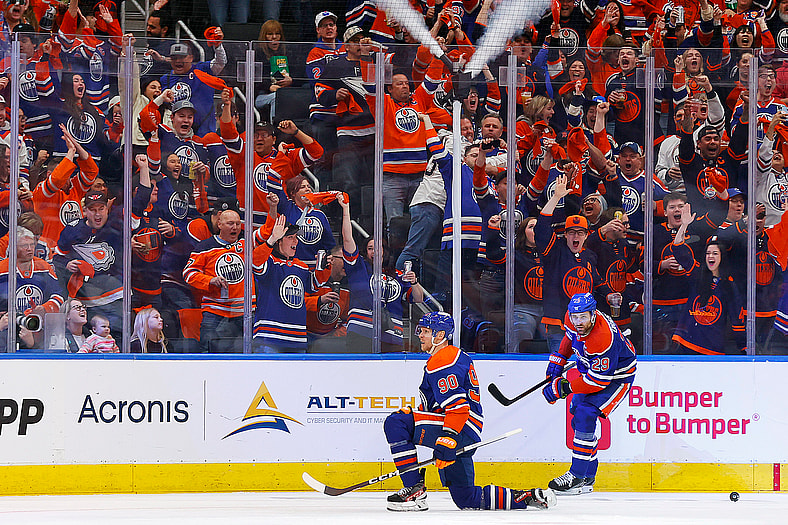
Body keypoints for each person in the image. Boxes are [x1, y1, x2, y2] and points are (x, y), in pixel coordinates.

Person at [383, 311, 556, 511]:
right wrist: (423, 415)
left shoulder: (444, 359)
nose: (420, 335)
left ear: (439, 336)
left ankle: (414, 490)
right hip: (463, 430)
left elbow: (458, 408)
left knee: (397, 422)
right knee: (467, 498)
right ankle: (527, 497)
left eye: (426, 331)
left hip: (458, 428)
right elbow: (441, 404)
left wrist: (448, 438)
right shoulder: (455, 356)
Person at [542, 292, 637, 494]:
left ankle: (576, 475)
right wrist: (558, 360)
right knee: (579, 417)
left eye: (583, 317)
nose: (578, 321)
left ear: (593, 314)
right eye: (575, 316)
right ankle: (587, 477)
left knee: (586, 413)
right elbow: (569, 337)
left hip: (617, 377)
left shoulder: (602, 338)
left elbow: (598, 382)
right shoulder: (573, 317)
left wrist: (563, 388)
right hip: (592, 369)